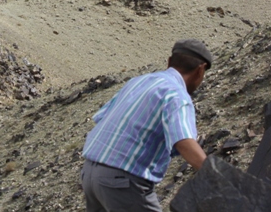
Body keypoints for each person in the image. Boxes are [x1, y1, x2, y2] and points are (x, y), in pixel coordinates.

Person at [80, 39, 213, 212]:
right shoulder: (177, 95)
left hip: (90, 173)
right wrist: (215, 175)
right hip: (122, 181)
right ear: (200, 70)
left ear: (169, 62)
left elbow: (103, 118)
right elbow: (183, 141)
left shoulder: (138, 82)